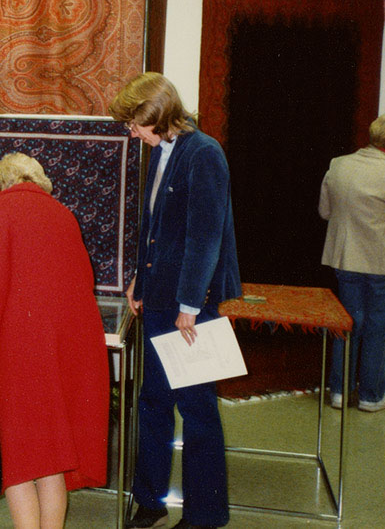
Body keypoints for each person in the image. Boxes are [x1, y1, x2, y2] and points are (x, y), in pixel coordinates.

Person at [108, 72, 239, 529]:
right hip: (160, 297)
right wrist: (138, 281)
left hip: (190, 305)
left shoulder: (204, 153)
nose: (132, 133)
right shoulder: (162, 151)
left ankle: (206, 515)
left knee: (197, 410)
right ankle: (151, 501)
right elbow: (154, 227)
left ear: (158, 116)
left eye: (135, 124)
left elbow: (205, 237)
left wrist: (189, 305)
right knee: (153, 402)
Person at [0, 152, 109, 529]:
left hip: (21, 349)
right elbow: (84, 281)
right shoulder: (63, 214)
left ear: (1, 184)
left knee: (17, 459)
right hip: (66, 350)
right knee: (50, 460)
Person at [319, 113, 385, 412]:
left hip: (345, 259)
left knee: (347, 326)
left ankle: (339, 392)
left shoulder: (338, 165)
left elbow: (325, 211)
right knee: (378, 329)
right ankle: (371, 396)